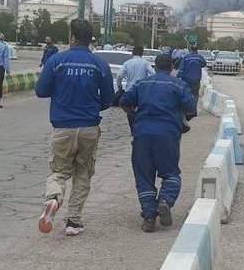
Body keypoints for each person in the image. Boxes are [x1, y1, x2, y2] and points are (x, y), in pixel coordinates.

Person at [35, 18, 114, 237]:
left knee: (59, 172)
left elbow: (41, 90)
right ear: (90, 41)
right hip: (89, 127)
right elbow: (108, 99)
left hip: (62, 127)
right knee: (83, 173)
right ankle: (74, 222)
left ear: (71, 38)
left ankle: (53, 199)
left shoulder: (57, 61)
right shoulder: (99, 65)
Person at [122, 52, 198, 232]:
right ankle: (165, 200)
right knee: (171, 173)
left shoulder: (142, 83)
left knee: (143, 176)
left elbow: (125, 101)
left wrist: (135, 117)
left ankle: (149, 216)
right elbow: (191, 108)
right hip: (168, 135)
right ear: (171, 68)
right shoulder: (179, 85)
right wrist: (182, 120)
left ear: (154, 67)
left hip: (142, 134)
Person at [115, 44, 154, 131]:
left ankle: (133, 127)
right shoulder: (145, 63)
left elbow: (119, 76)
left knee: (129, 109)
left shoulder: (127, 63)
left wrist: (120, 87)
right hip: (142, 91)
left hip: (130, 90)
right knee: (142, 109)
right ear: (142, 53)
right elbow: (153, 73)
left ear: (132, 53)